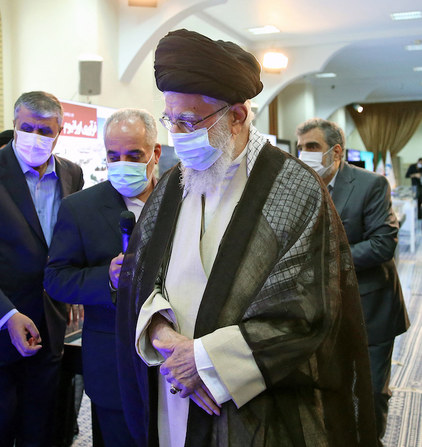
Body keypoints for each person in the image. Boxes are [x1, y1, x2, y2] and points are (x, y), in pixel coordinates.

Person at [115, 29, 378, 447]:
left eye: (188, 120)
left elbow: (305, 310)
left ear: (236, 117)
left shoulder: (294, 189)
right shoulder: (170, 185)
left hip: (251, 402)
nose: (177, 134)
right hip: (173, 385)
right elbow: (144, 275)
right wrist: (165, 341)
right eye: (171, 119)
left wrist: (204, 361)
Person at [0, 91, 84, 447]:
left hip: (49, 325)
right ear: (14, 125)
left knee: (41, 427)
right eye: (28, 128)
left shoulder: (72, 174)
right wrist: (7, 316)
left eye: (45, 130)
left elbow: (67, 244)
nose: (36, 137)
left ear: (60, 131)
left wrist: (75, 290)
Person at [45, 108, 161, 447]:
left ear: (154, 153)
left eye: (133, 155)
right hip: (113, 360)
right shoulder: (80, 208)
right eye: (113, 155)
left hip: (175, 361)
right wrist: (107, 279)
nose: (122, 163)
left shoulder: (181, 198)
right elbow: (56, 278)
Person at [296, 118, 409, 444]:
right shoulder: (301, 188)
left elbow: (382, 244)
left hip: (370, 308)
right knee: (332, 390)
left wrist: (326, 259)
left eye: (313, 147)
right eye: (301, 147)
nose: (305, 154)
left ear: (336, 151)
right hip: (322, 312)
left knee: (370, 393)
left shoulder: (371, 185)